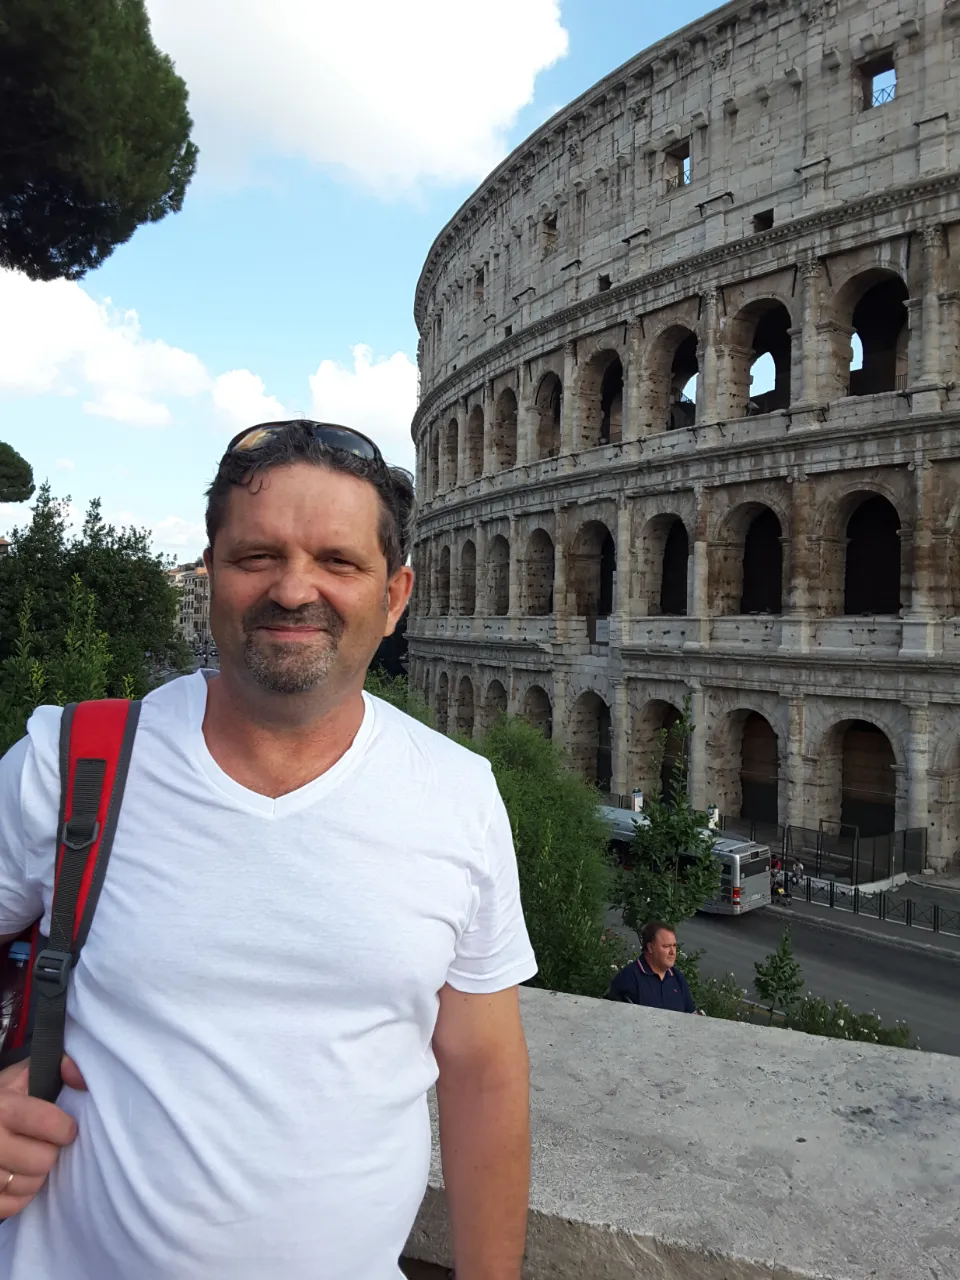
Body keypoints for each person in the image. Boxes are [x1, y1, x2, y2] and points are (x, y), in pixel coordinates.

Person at [0, 420, 537, 1280]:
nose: (295, 590)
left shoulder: (457, 793)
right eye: (257, 557)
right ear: (210, 573)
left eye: (338, 561)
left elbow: (482, 1076)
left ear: (394, 597)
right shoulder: (71, 762)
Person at [608, 922, 697, 1013]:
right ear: (650, 947)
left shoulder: (678, 978)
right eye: (666, 946)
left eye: (674, 946)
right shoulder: (629, 978)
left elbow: (692, 1017)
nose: (672, 952)